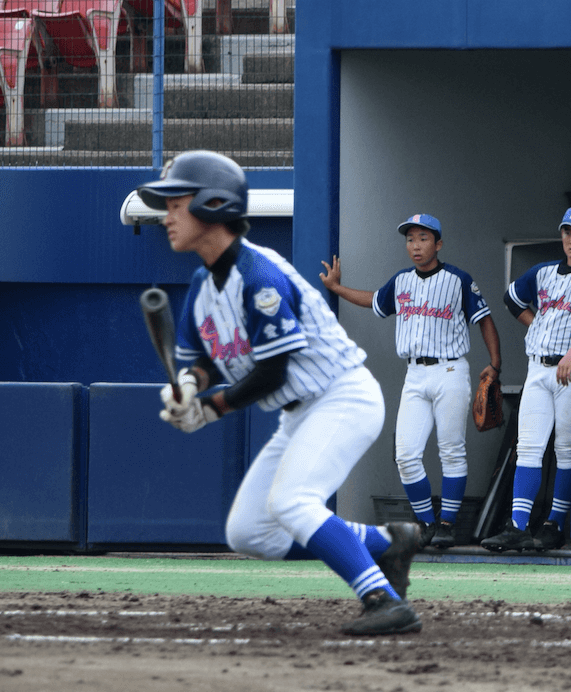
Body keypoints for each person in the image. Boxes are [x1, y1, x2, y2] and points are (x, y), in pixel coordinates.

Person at [138, 151, 423, 636]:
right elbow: (207, 361)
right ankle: (385, 542)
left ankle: (382, 600)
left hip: (341, 397)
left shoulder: (260, 276)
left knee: (294, 501)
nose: (167, 216)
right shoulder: (204, 284)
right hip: (299, 413)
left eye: (176, 204)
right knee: (248, 532)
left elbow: (272, 371)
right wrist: (188, 388)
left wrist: (210, 409)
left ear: (213, 205)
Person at [320, 213, 503, 550]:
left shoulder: (458, 280)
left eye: (423, 238)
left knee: (451, 450)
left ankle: (447, 524)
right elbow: (374, 300)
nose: (416, 245)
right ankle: (427, 523)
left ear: (438, 244)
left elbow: (484, 319)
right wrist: (336, 288)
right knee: (406, 454)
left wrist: (495, 364)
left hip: (450, 370)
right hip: (415, 374)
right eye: (410, 239)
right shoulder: (401, 281)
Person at [481, 205, 571, 552]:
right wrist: (537, 325)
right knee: (529, 447)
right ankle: (518, 527)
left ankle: (555, 523)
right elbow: (511, 299)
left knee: (565, 449)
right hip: (537, 367)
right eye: (567, 232)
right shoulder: (542, 271)